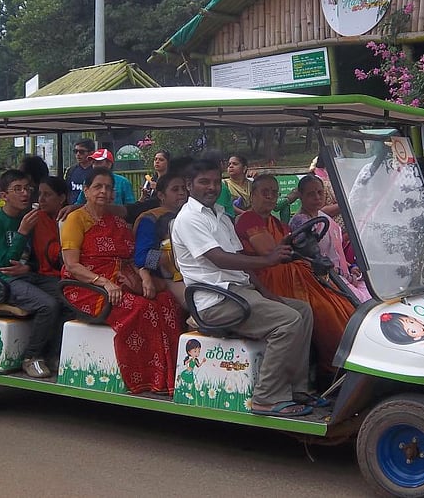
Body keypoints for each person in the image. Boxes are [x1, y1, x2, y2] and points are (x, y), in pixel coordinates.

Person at [171, 161, 316, 418]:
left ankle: (297, 389)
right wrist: (268, 261)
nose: (212, 187)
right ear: (189, 185)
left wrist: (267, 293)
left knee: (301, 310)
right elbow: (219, 258)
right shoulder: (189, 218)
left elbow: (239, 259)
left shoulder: (220, 215)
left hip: (240, 292)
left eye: (216, 182)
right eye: (204, 182)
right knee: (288, 321)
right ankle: (266, 398)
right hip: (215, 301)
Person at [61, 167, 181, 395]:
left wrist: (145, 276)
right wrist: (107, 281)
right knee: (144, 307)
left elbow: (136, 256)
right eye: (98, 187)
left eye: (108, 187)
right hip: (92, 283)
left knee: (167, 302)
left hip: (137, 275)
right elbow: (72, 265)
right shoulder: (151, 219)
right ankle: (147, 377)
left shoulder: (186, 216)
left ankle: (171, 375)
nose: (182, 194)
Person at [236, 174, 355, 378]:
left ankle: (351, 360)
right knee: (321, 308)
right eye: (265, 192)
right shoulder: (247, 218)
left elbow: (292, 247)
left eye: (274, 193)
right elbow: (269, 252)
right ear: (252, 194)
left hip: (293, 271)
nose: (270, 197)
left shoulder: (277, 222)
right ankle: (334, 368)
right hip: (267, 277)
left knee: (341, 301)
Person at [0, 169, 68, 379]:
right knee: (48, 305)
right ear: (4, 196)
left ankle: (53, 353)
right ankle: (32, 356)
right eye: (17, 189)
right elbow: (4, 263)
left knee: (69, 296)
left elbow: (32, 257)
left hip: (26, 275)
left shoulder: (29, 217)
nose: (25, 194)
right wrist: (21, 233)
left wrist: (29, 267)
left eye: (27, 189)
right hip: (2, 280)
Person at [289, 174, 372, 303]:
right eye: (311, 194)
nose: (317, 197)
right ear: (301, 195)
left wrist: (349, 267)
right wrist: (339, 273)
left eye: (319, 192)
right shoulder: (300, 222)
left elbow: (335, 251)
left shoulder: (324, 218)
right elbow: (309, 259)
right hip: (324, 278)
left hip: (341, 276)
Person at [132, 173, 189, 308]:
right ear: (161, 196)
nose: (181, 193)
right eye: (175, 190)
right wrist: (171, 255)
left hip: (197, 273)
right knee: (199, 302)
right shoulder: (150, 219)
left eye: (184, 189)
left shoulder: (192, 215)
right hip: (168, 277)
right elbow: (142, 258)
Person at [31, 176, 69, 277]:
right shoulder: (37, 218)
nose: (41, 199)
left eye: (47, 194)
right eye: (40, 194)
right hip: (47, 275)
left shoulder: (73, 217)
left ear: (62, 198)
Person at [65, 138, 96, 204]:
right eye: (75, 151)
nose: (78, 154)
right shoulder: (71, 170)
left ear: (91, 153)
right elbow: (67, 191)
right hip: (72, 209)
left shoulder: (96, 171)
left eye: (81, 152)